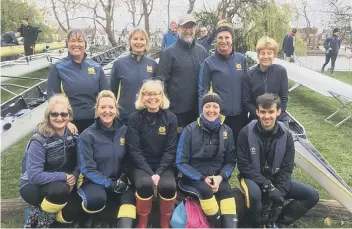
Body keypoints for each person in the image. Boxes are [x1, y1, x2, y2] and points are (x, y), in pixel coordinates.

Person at [237, 93, 319, 227]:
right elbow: (243, 166)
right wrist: (267, 186)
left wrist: (279, 194)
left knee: (312, 195)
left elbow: (286, 169)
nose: (267, 116)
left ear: (278, 112)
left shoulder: (286, 135)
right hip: (252, 178)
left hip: (276, 178)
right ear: (257, 112)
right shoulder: (245, 133)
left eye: (271, 112)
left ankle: (278, 222)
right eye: (263, 112)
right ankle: (256, 223)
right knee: (255, 196)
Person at [176, 92, 238, 228]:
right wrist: (202, 178)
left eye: (215, 106)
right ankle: (217, 225)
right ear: (201, 108)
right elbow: (180, 162)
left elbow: (231, 161)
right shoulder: (189, 130)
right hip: (193, 178)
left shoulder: (227, 130)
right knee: (206, 190)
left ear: (220, 109)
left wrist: (221, 177)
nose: (211, 110)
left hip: (217, 177)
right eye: (207, 106)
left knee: (227, 190)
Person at [19, 94, 80, 228]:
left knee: (74, 208)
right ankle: (41, 222)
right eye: (54, 114)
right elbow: (35, 176)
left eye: (64, 114)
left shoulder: (73, 135)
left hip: (60, 182)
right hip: (32, 185)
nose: (59, 118)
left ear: (69, 116)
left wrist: (74, 177)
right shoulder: (39, 139)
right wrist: (64, 177)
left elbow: (79, 161)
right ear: (48, 116)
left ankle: (39, 213)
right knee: (60, 191)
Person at [78, 90, 135, 228]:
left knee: (130, 199)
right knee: (97, 198)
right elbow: (87, 168)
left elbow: (129, 158)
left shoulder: (125, 130)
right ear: (97, 110)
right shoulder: (87, 135)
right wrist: (109, 183)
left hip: (118, 180)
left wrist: (125, 176)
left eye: (111, 107)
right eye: (103, 107)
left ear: (116, 109)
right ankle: (88, 220)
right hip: (94, 182)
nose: (107, 111)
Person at [127, 80, 178, 228]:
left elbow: (170, 149)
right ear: (142, 97)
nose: (152, 97)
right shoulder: (134, 118)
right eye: (148, 94)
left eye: (156, 94)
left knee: (169, 186)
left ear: (162, 97)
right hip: (141, 165)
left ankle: (164, 222)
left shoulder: (171, 118)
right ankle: (143, 221)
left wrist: (159, 171)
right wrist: (151, 173)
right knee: (145, 184)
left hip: (164, 164)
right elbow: (134, 150)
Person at [47, 28, 108, 133]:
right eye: (72, 41)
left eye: (80, 41)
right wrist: (65, 122)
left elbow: (106, 96)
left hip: (94, 123)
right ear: (67, 44)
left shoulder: (96, 67)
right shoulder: (58, 68)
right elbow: (52, 99)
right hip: (68, 124)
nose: (76, 44)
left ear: (85, 44)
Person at [157, 14, 208, 134]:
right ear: (178, 28)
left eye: (191, 27)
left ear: (195, 29)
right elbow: (160, 82)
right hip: (176, 114)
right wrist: (166, 110)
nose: (188, 30)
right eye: (185, 27)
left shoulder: (202, 52)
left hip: (198, 112)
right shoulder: (168, 53)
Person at [198, 21, 248, 143]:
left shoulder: (242, 59)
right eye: (220, 37)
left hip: (240, 116)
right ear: (216, 39)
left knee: (240, 150)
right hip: (220, 116)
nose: (223, 40)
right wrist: (202, 115)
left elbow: (247, 86)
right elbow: (202, 91)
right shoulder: (209, 62)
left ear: (232, 39)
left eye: (227, 37)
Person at [110, 27, 157, 125]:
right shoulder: (119, 64)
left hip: (147, 118)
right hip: (124, 119)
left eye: (142, 39)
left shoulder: (153, 64)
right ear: (130, 41)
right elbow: (112, 92)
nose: (138, 42)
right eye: (135, 39)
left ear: (146, 43)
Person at [243, 36, 289, 127]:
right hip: (256, 117)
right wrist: (262, 115)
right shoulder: (249, 75)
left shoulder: (281, 72)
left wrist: (274, 115)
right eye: (262, 53)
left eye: (269, 53)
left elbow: (284, 98)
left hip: (277, 117)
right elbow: (246, 102)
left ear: (274, 55)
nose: (266, 56)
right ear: (258, 55)